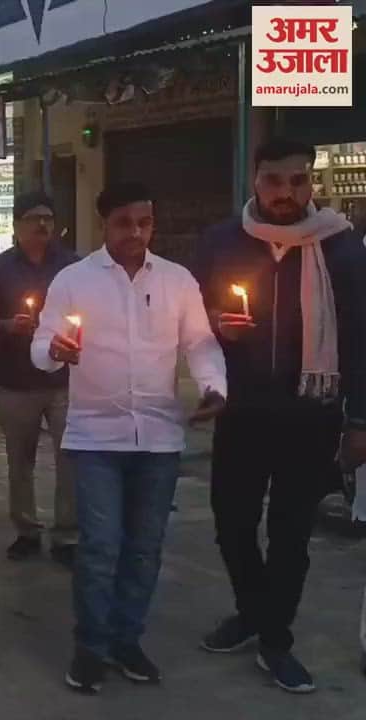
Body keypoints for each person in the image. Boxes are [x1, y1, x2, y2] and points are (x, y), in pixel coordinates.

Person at [31, 182, 227, 695]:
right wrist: (55, 349)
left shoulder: (178, 281)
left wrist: (213, 385)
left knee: (144, 547)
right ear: (105, 225)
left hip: (159, 437)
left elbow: (200, 341)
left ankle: (126, 640)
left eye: (144, 222)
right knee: (100, 546)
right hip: (96, 436)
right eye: (125, 223)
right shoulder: (74, 280)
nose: (136, 232)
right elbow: (40, 345)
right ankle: (90, 647)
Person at [194, 138, 366, 694]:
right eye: (274, 181)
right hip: (241, 411)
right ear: (254, 179)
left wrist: (360, 420)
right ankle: (254, 613)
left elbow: (362, 340)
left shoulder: (342, 248)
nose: (286, 193)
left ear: (310, 182)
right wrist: (217, 325)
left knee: (291, 534)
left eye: (297, 181)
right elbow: (189, 321)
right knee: (232, 523)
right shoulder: (222, 242)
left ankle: (275, 639)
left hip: (310, 416)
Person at [0, 192, 80, 565]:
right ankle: (26, 529)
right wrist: (9, 325)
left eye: (49, 218)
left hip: (64, 380)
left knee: (70, 458)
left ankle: (67, 533)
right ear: (18, 224)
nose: (42, 226)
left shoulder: (72, 266)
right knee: (20, 460)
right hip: (16, 380)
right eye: (34, 218)